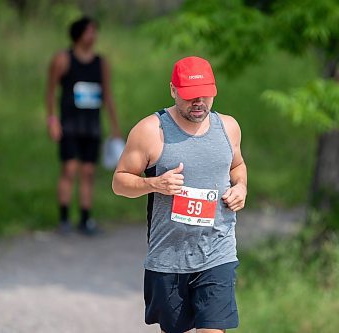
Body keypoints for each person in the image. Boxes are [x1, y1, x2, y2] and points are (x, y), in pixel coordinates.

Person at [112, 56, 247, 333]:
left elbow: (237, 165)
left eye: (205, 95)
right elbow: (119, 182)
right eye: (189, 96)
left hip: (217, 252)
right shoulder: (151, 130)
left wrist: (241, 187)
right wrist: (154, 184)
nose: (199, 102)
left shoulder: (228, 127)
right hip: (169, 257)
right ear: (173, 90)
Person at [46, 16, 121, 235]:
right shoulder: (63, 59)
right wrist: (52, 120)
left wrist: (115, 127)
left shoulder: (101, 62)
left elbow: (108, 95)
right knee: (69, 170)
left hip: (92, 125)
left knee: (88, 172)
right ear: (78, 34)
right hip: (69, 124)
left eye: (94, 31)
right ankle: (64, 219)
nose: (93, 35)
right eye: (89, 31)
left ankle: (86, 219)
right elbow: (50, 91)